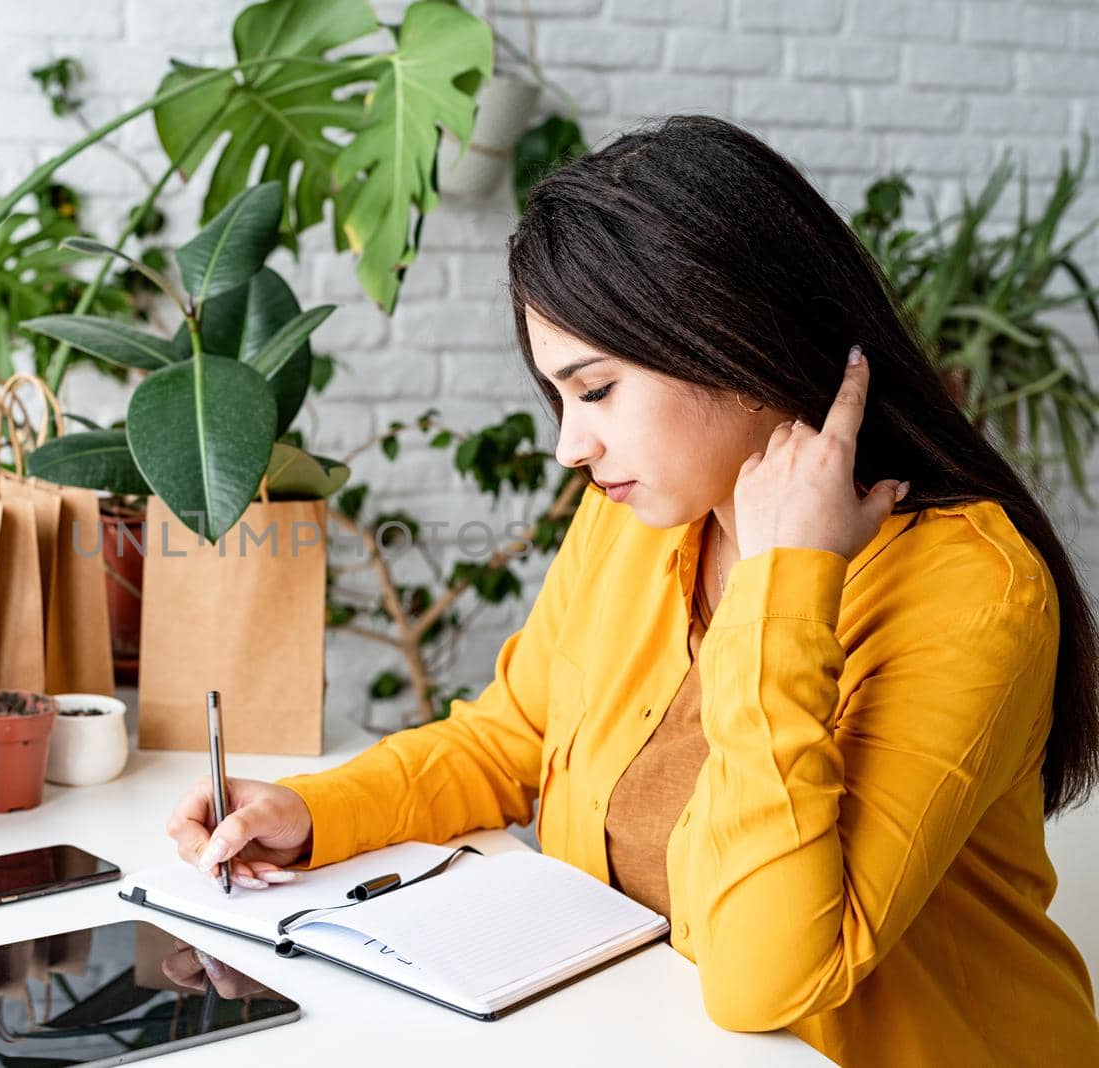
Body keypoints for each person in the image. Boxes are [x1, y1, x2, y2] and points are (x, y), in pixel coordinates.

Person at [164, 115, 1099, 1066]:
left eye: (597, 390)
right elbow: (512, 737)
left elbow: (763, 978)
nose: (571, 445)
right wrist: (316, 812)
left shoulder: (972, 587)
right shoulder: (642, 515)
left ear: (733, 339)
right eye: (560, 395)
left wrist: (786, 587)